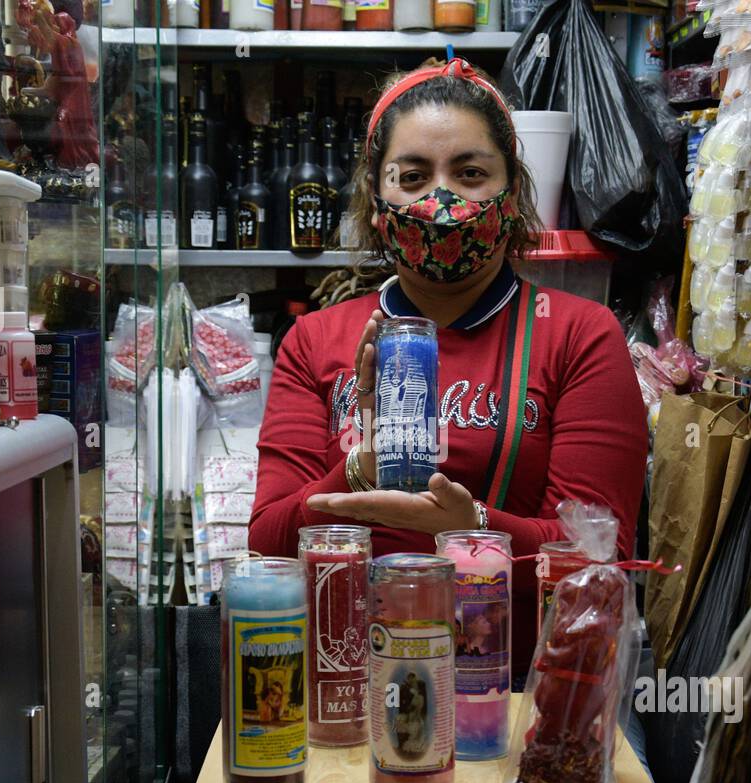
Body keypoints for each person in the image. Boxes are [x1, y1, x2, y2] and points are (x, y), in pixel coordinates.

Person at [249, 59, 648, 678]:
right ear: (377, 204)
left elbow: (600, 562)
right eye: (412, 177)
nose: (441, 201)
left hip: (521, 692)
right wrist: (355, 472)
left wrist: (476, 533)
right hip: (348, 683)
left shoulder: (578, 335)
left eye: (469, 173)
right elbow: (270, 544)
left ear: (512, 194)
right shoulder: (314, 341)